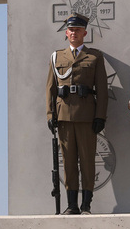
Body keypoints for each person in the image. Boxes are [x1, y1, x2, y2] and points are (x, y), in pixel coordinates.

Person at [45, 13, 109, 214]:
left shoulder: (95, 56)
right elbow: (50, 88)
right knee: (68, 161)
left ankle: (86, 205)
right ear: (66, 33)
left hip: (86, 116)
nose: (74, 33)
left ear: (84, 33)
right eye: (71, 30)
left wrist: (100, 116)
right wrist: (50, 114)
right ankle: (71, 205)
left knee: (87, 161)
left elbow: (102, 89)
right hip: (63, 116)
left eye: (78, 30)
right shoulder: (56, 57)